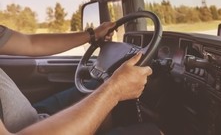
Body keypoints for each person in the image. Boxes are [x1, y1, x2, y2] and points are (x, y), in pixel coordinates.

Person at [0, 23, 155, 134]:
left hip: (31, 116)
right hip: (32, 128)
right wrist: (113, 90)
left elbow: (31, 43)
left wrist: (92, 35)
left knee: (95, 86)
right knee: (153, 131)